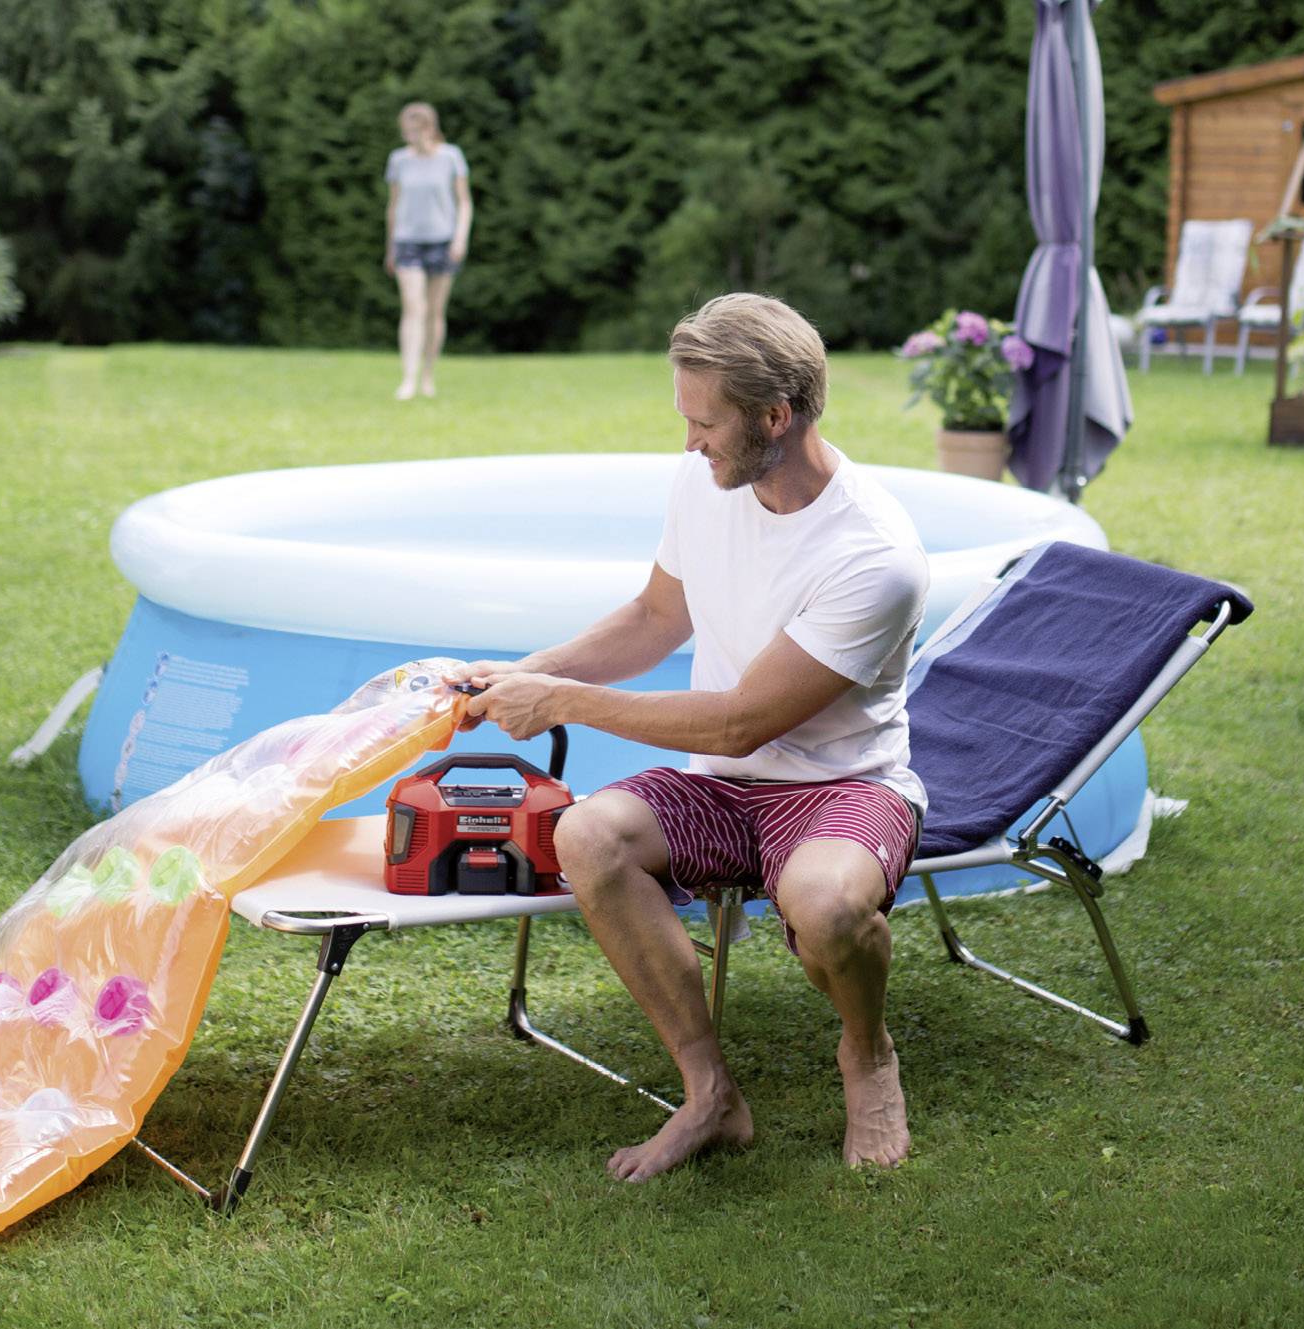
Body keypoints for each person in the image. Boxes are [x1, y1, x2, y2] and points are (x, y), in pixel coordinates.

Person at [453, 293, 929, 1180]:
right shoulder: (709, 480)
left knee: (826, 906)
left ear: (775, 417)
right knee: (589, 836)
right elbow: (654, 615)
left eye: (704, 423)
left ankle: (867, 1055)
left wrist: (560, 701)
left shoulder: (874, 556)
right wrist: (520, 673)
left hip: (839, 788)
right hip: (721, 783)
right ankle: (710, 1093)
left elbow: (742, 720)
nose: (688, 443)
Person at [383, 102, 472, 401]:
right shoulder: (398, 161)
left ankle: (427, 376)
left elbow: (464, 203)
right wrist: (391, 247)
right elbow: (393, 206)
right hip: (407, 240)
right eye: (405, 131)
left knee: (434, 312)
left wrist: (460, 238)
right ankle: (408, 379)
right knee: (413, 308)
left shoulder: (451, 157)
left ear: (429, 128)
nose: (409, 137)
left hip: (442, 240)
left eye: (414, 131)